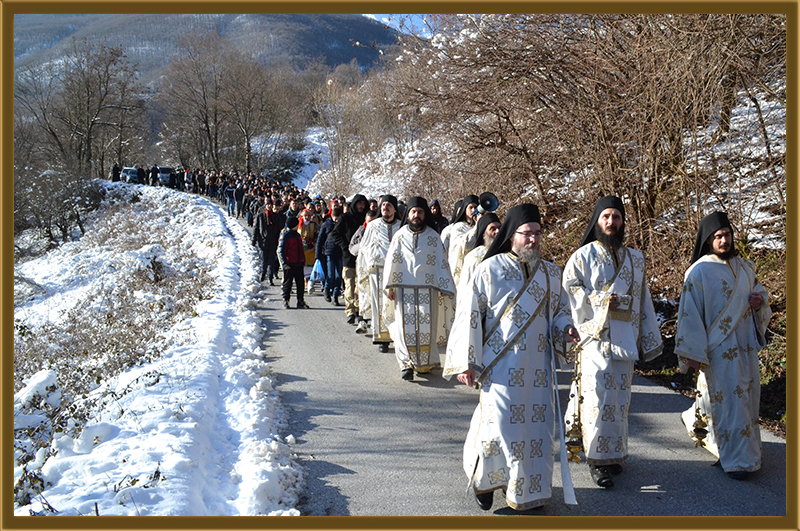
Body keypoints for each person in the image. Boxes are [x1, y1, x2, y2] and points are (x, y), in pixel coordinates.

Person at [444, 203, 580, 512]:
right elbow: (469, 315)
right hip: (500, 367)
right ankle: (484, 481)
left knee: (536, 433)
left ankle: (526, 492)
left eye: (538, 233)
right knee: (499, 429)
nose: (533, 239)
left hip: (539, 370)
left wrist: (566, 328)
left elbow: (559, 312)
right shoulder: (489, 270)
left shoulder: (551, 273)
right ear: (511, 235)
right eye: (527, 233)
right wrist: (467, 361)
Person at [561, 195, 663, 488]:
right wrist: (602, 300)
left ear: (622, 222)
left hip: (625, 340)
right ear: (597, 221)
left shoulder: (636, 259)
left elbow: (643, 300)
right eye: (606, 216)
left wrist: (648, 338)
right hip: (595, 339)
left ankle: (614, 454)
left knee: (619, 401)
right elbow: (569, 291)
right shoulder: (582, 256)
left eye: (616, 217)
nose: (611, 222)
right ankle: (597, 460)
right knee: (597, 399)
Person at [674, 211, 771, 481]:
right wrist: (692, 352)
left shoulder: (746, 267)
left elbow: (761, 295)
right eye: (718, 236)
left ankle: (707, 427)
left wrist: (759, 303)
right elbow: (689, 315)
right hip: (717, 348)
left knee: (747, 398)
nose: (724, 240)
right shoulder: (698, 272)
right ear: (708, 240)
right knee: (729, 401)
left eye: (727, 234)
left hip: (745, 346)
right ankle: (738, 461)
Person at [382, 197, 455, 381]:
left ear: (425, 214)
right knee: (403, 328)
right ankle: (405, 364)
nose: (416, 215)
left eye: (420, 212)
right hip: (402, 288)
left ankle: (423, 363)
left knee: (426, 328)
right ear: (408, 214)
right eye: (413, 212)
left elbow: (442, 262)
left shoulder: (433, 237)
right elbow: (391, 261)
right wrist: (390, 286)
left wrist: (445, 285)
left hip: (427, 289)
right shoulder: (400, 236)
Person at [356, 195, 401, 351]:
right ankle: (382, 339)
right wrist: (364, 269)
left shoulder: (402, 227)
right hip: (378, 271)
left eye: (389, 205)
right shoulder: (372, 226)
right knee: (379, 304)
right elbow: (364, 248)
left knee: (396, 304)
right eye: (383, 205)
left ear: (394, 209)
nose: (385, 208)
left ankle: (397, 336)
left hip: (397, 270)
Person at [332, 194, 369, 325]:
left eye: (363, 204)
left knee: (360, 285)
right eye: (359, 204)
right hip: (348, 257)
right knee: (349, 284)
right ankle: (350, 311)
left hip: (363, 258)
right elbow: (335, 234)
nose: (361, 206)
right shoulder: (345, 218)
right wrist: (345, 246)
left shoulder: (367, 218)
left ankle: (359, 310)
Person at [456, 212, 500, 295]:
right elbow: (466, 288)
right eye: (492, 229)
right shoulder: (474, 257)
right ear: (483, 235)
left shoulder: (507, 254)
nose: (497, 231)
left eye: (499, 228)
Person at [351, 208, 380, 334]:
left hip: (377, 269)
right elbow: (352, 247)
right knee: (362, 295)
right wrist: (363, 247)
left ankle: (375, 323)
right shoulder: (360, 231)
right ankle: (361, 321)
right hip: (363, 267)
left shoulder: (381, 232)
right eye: (369, 222)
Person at [278, 216, 310, 309]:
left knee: (300, 284)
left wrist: (303, 260)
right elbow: (281, 251)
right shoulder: (285, 235)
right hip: (289, 264)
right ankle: (286, 300)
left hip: (299, 263)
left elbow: (300, 249)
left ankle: (300, 301)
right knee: (287, 284)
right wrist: (284, 263)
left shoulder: (297, 235)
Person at [316, 206, 343, 306]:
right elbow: (320, 239)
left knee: (339, 275)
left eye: (338, 218)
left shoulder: (343, 224)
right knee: (331, 274)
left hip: (340, 252)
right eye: (335, 218)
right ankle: (327, 289)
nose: (336, 220)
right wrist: (317, 254)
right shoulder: (326, 224)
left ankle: (335, 295)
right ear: (331, 216)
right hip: (329, 252)